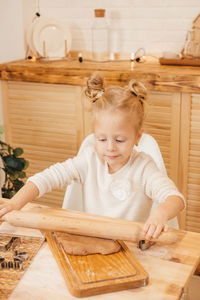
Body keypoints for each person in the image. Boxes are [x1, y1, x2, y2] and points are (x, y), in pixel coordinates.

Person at [0, 72, 185, 240]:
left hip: (132, 244)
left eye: (120, 140)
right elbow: (48, 177)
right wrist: (15, 203)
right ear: (94, 135)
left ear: (137, 137)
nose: (110, 148)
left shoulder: (144, 168)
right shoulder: (89, 161)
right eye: (102, 139)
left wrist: (160, 213)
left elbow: (175, 198)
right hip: (93, 239)